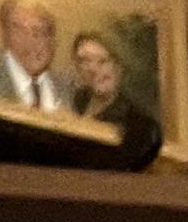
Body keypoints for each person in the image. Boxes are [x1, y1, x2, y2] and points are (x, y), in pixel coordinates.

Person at [66, 26, 163, 161]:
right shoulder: (75, 99)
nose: (93, 69)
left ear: (119, 66)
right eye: (85, 61)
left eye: (102, 61)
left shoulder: (135, 122)